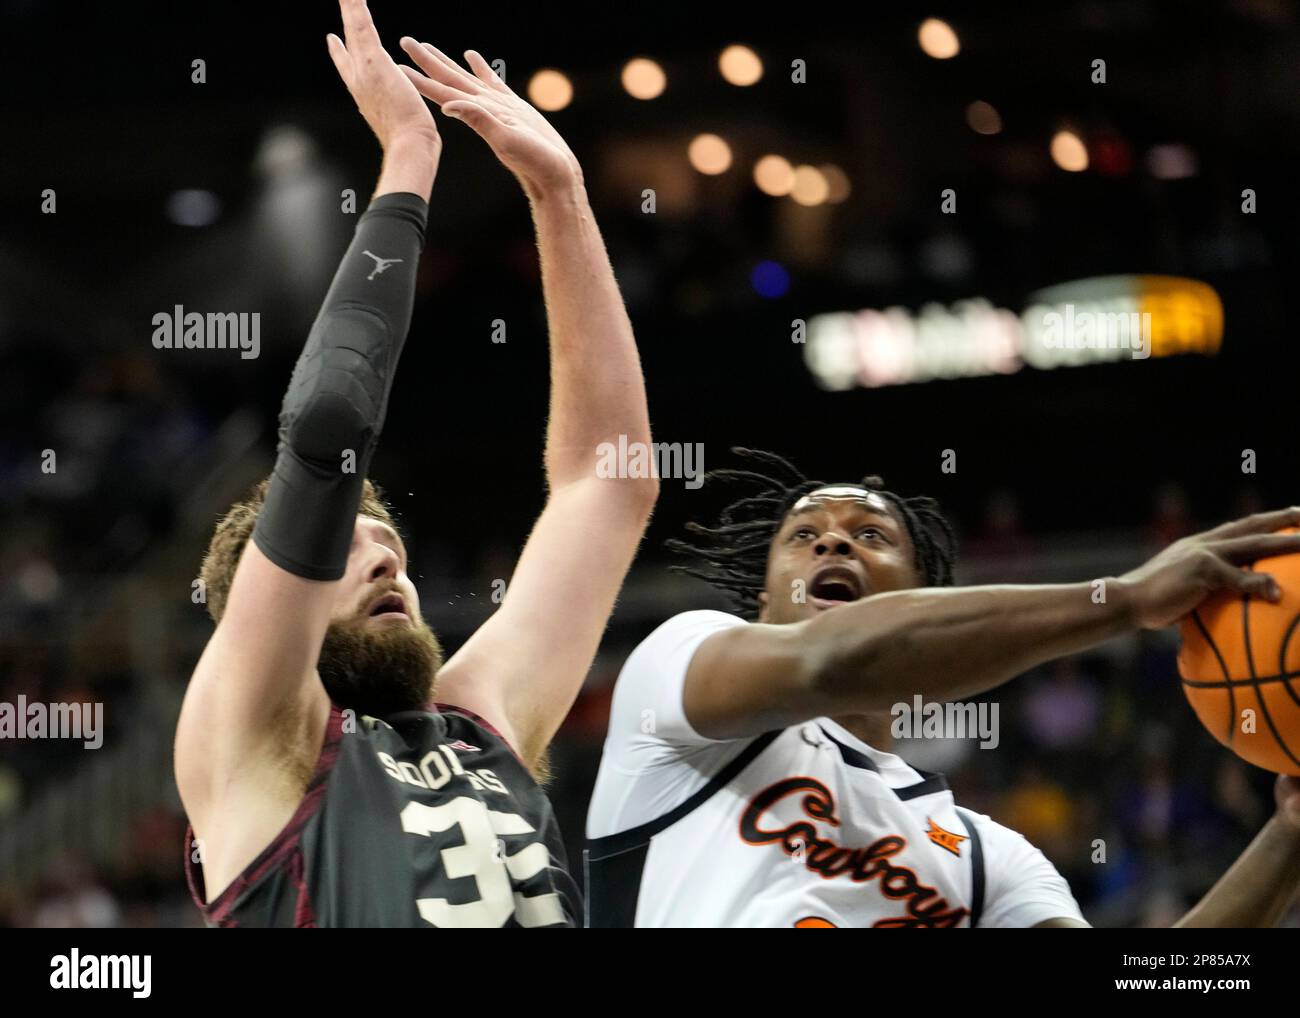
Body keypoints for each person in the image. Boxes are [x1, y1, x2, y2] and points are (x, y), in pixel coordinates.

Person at [174, 0, 657, 927]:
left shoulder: (479, 719)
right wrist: (409, 156)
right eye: (349, 549)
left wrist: (559, 198)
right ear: (265, 609)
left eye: (388, 540)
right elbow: (326, 430)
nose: (388, 555)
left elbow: (612, 478)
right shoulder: (252, 735)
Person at [585, 448, 1300, 927]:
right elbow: (829, 663)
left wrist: (1289, 838)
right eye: (804, 537)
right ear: (765, 609)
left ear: (923, 596)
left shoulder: (986, 856)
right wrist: (1126, 601)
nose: (834, 543)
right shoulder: (675, 672)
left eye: (872, 535)